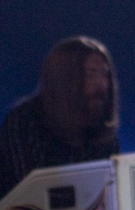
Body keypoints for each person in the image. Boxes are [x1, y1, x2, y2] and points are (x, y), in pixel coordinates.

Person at [0, 36, 120, 198]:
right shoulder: (24, 122)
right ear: (65, 78)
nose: (102, 85)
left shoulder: (101, 131)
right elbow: (32, 194)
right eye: (91, 74)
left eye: (105, 75)